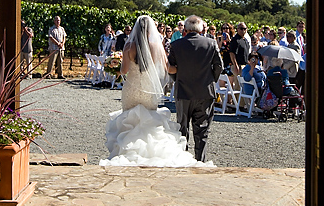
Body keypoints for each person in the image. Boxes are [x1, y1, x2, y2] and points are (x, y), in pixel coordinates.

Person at [99, 15, 212, 167]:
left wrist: (116, 64)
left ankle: (127, 153)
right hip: (148, 90)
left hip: (131, 90)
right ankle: (149, 154)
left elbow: (124, 70)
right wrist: (185, 68)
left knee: (130, 122)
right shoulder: (156, 46)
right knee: (149, 123)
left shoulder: (128, 46)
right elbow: (169, 68)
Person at [167, 15, 223, 163]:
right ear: (201, 29)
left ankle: (183, 161)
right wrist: (210, 80)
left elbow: (171, 68)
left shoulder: (176, 45)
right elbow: (219, 66)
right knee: (202, 131)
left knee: (182, 130)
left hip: (184, 91)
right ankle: (200, 162)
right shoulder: (211, 43)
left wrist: (178, 79)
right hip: (205, 92)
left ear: (185, 29)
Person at [228, 22, 251, 86]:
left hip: (245, 66)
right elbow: (232, 53)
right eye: (241, 29)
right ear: (237, 29)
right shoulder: (235, 40)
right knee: (238, 86)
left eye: (244, 29)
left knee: (243, 86)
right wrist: (236, 65)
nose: (243, 30)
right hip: (238, 66)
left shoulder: (245, 40)